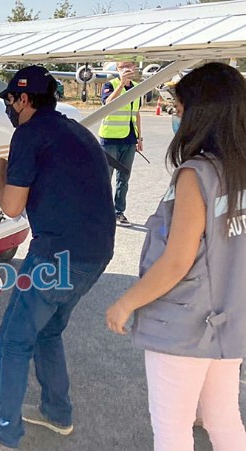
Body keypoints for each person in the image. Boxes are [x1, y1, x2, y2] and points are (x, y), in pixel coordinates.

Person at [0, 65, 115, 450]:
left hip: (55, 256)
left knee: (14, 339)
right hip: (95, 256)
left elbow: (12, 206)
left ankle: (3, 433)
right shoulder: (75, 130)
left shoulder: (28, 134)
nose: (8, 110)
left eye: (10, 101)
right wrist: (2, 174)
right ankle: (57, 412)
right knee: (49, 331)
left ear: (24, 99)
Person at [106, 62, 246, 451]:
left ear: (203, 112)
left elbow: (176, 260)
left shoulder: (196, 174)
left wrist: (125, 302)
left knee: (172, 429)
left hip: (184, 323)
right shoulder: (238, 169)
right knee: (223, 417)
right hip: (230, 319)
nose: (175, 115)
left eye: (180, 108)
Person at [99, 60, 144, 227]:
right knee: (106, 177)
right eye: (123, 66)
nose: (127, 69)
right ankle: (103, 211)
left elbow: (137, 113)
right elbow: (107, 104)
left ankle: (119, 212)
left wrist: (139, 137)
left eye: (130, 66)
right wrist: (121, 86)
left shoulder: (137, 88)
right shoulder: (110, 85)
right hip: (110, 138)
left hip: (129, 139)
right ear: (117, 69)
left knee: (124, 178)